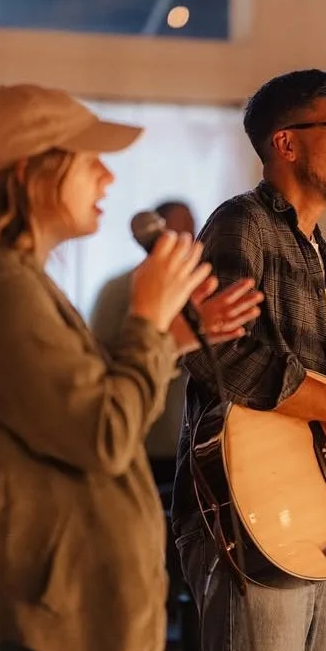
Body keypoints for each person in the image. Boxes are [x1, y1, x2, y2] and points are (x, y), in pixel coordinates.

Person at [0, 84, 263, 651]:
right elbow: (103, 433)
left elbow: (81, 405)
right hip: (21, 634)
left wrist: (172, 338)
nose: (107, 177)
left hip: (44, 626)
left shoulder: (9, 277)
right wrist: (147, 318)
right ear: (33, 171)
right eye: (90, 160)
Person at [173, 69, 326, 651]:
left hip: (321, 520)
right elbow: (218, 354)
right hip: (250, 515)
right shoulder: (241, 225)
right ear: (286, 143)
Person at [89, 199, 197, 486]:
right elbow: (99, 355)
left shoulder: (194, 288)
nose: (187, 238)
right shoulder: (117, 289)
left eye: (192, 230)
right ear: (154, 234)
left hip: (184, 437)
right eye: (178, 230)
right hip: (138, 435)